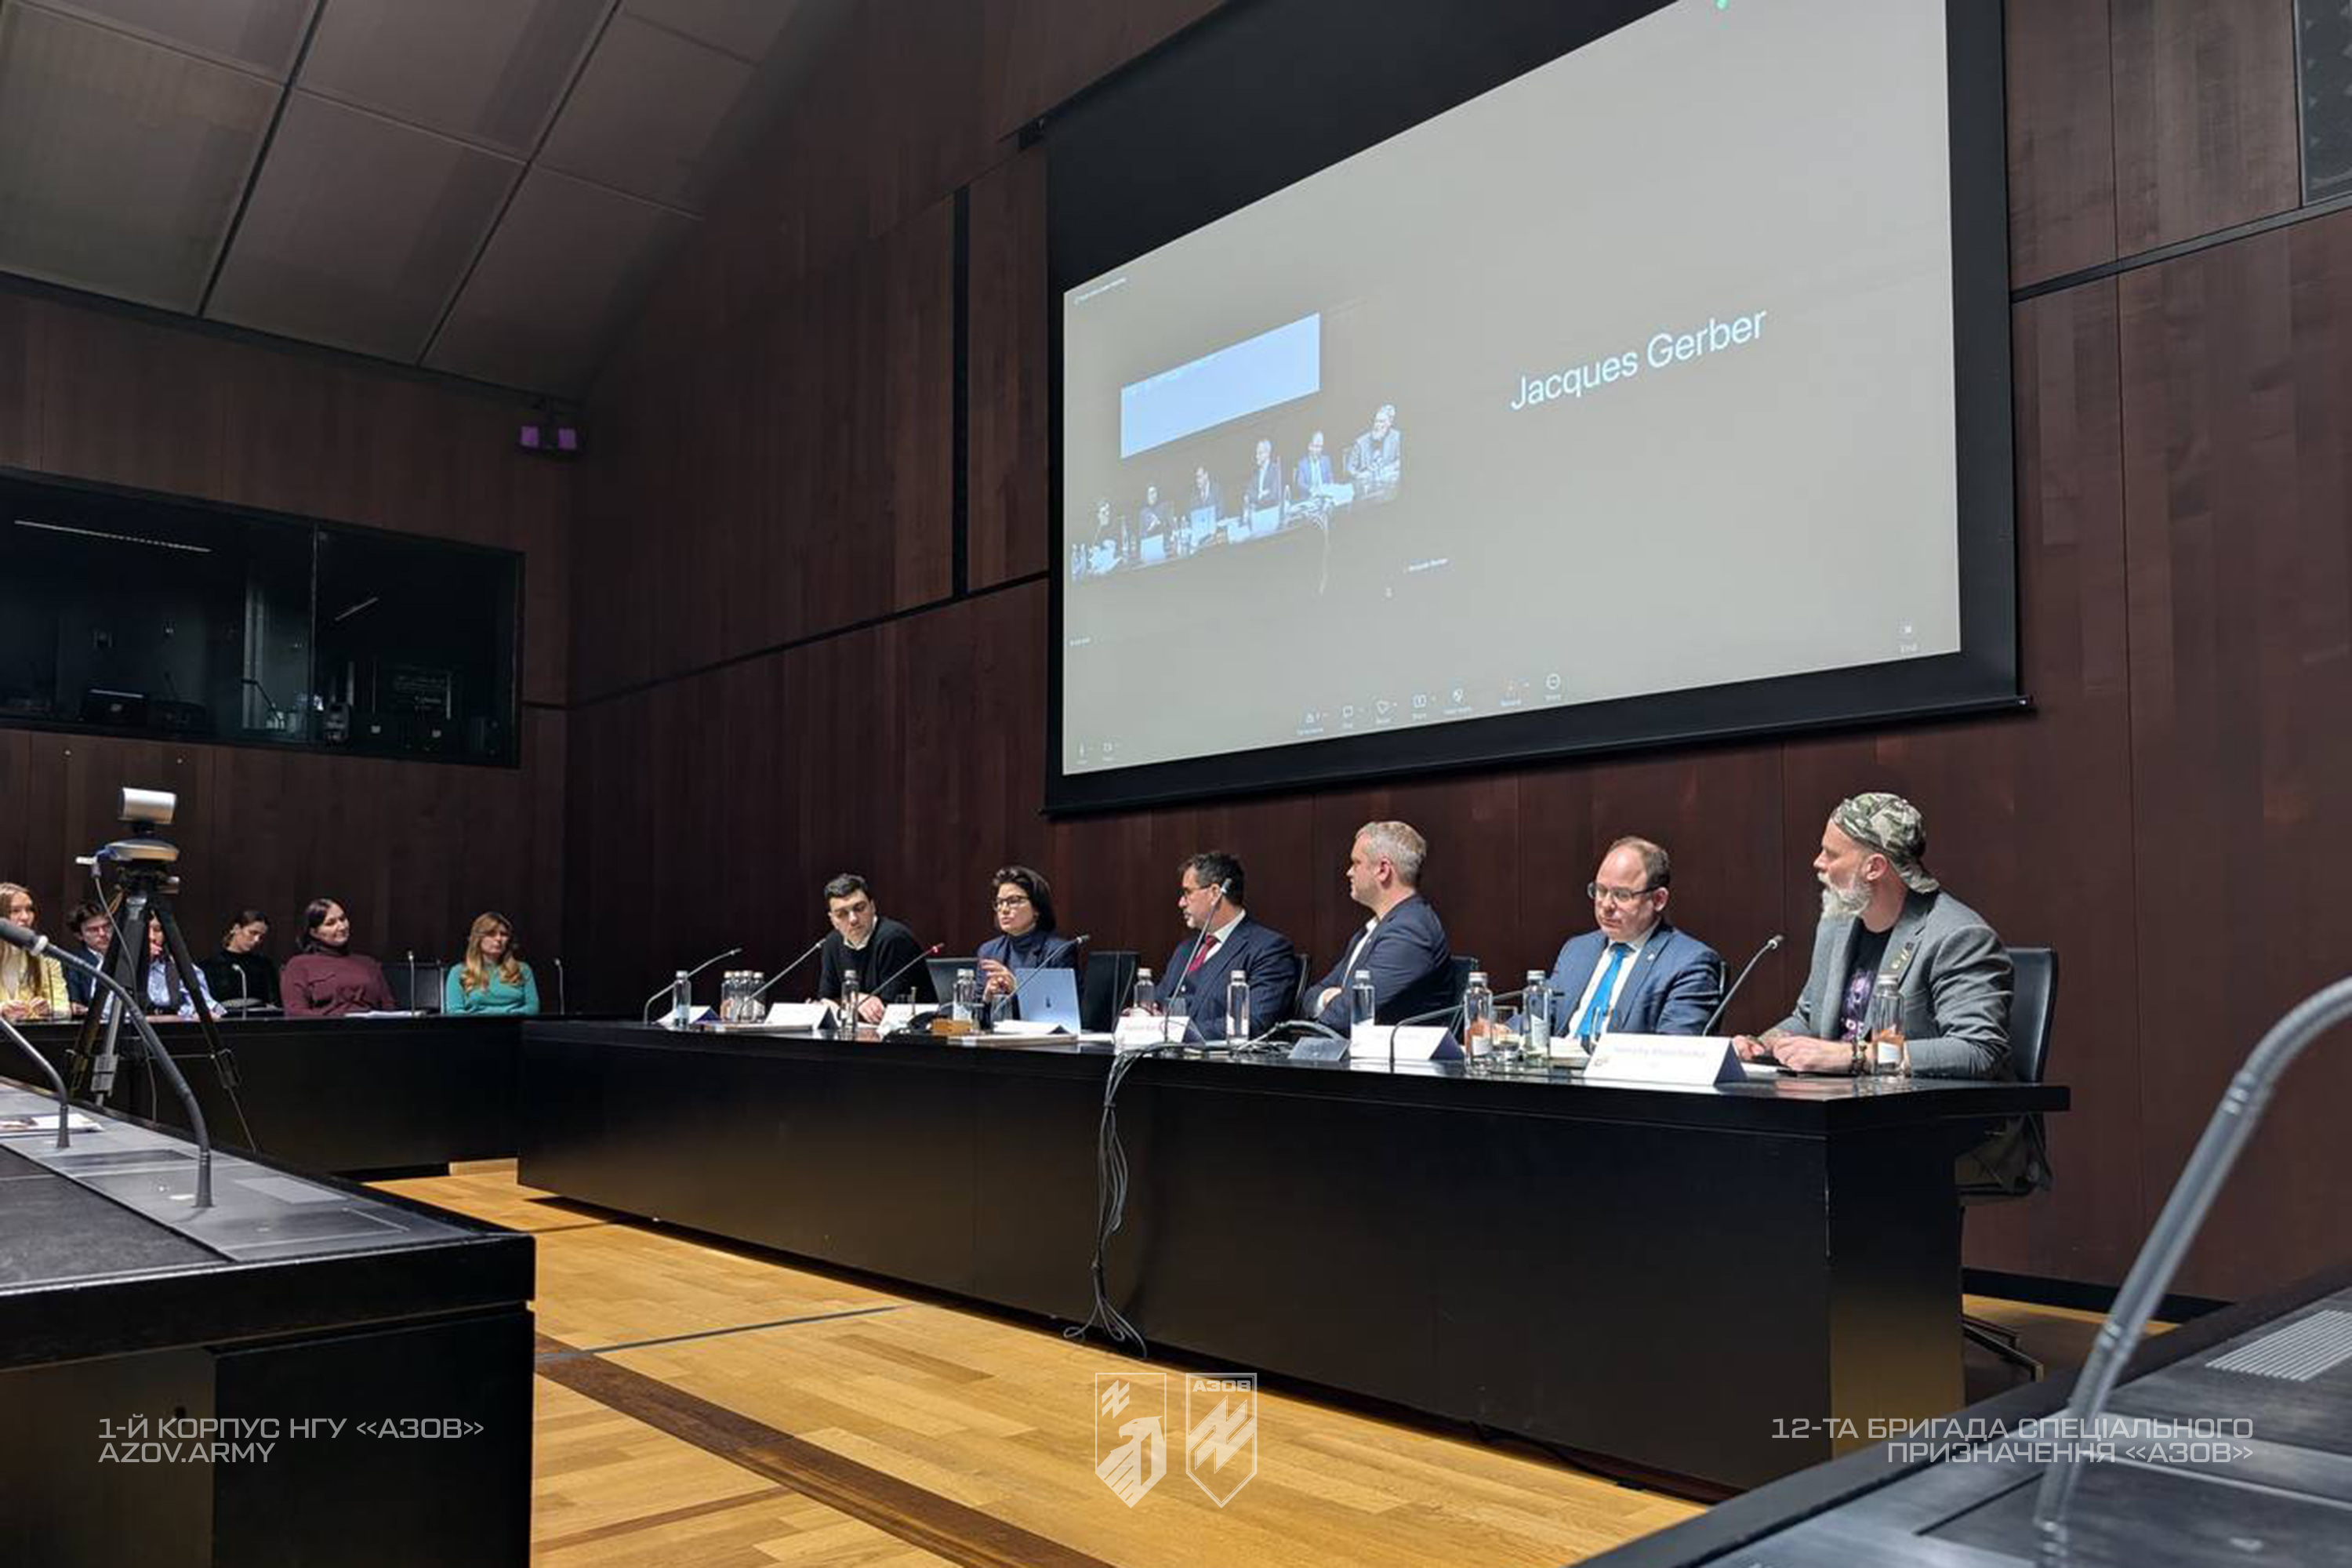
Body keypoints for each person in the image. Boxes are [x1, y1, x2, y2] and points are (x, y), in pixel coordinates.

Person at [1735, 793, 2012, 1077]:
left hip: (1914, 1103)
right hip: (1837, 1098)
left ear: (1875, 867)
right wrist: (1762, 1045)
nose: (1818, 862)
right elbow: (1809, 1019)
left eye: (1831, 854)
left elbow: (1978, 1050)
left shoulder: (1958, 937)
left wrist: (1855, 1056)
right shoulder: (1835, 925)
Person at [1534, 838, 1723, 1040]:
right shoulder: (1577, 950)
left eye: (1622, 895)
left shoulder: (1689, 963)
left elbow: (1676, 1047)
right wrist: (1512, 1031)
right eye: (1601, 891)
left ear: (1658, 899)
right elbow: (1537, 1019)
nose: (1606, 905)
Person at [1308, 822, 1452, 1029]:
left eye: (1356, 863)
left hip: (1389, 1051)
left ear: (1383, 870)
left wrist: (1335, 999)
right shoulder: (1373, 929)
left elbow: (1346, 1016)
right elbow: (1311, 996)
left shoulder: (1410, 932)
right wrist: (1326, 998)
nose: (1349, 872)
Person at [1160, 852, 1300, 1040]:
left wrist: (1178, 1033)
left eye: (1188, 893)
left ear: (1215, 893)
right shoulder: (1185, 950)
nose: (1181, 903)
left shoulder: (1269, 950)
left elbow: (1254, 1023)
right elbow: (1158, 1003)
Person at [815, 874, 925, 1023]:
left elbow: (890, 1009)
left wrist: (846, 1002)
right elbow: (826, 999)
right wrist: (856, 998)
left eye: (859, 908)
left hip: (913, 1031)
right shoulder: (832, 942)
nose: (853, 919)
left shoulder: (895, 939)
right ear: (833, 920)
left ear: (873, 907)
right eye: (842, 914)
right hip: (859, 1032)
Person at [976, 866, 1083, 1018]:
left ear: (1037, 909)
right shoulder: (988, 951)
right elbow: (976, 1018)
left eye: (1013, 901)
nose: (1004, 909)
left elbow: (1064, 1013)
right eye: (999, 902)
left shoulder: (1058, 951)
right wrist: (987, 999)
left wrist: (1018, 988)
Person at [281, 898, 397, 1018]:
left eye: (343, 919)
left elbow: (389, 1009)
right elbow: (295, 1013)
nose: (342, 927)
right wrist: (338, 1019)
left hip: (372, 1028)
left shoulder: (368, 963)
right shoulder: (299, 965)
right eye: (331, 923)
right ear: (314, 932)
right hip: (327, 1028)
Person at [445, 911, 541, 1015]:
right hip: (474, 1025)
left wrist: (508, 1016)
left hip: (515, 1023)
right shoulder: (458, 972)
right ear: (478, 939)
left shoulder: (522, 969)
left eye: (504, 934)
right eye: (491, 934)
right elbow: (454, 1011)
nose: (499, 939)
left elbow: (533, 1007)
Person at [0, 882, 69, 1021]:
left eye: (29, 910)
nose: (25, 917)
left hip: (32, 1032)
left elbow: (65, 1009)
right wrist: (2, 1010)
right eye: (15, 911)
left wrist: (50, 1009)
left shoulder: (46, 954)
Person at [134, 917, 223, 1020]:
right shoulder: (123, 970)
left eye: (158, 930)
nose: (152, 937)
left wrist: (191, 1015)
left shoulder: (181, 969)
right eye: (145, 930)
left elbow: (206, 1008)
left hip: (174, 1028)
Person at [200, 909, 281, 1010]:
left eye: (261, 937)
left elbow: (276, 1002)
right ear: (236, 928)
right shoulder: (209, 967)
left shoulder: (264, 965)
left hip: (259, 1017)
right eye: (253, 933)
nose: (257, 940)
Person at [59, 900, 114, 1012]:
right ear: (80, 936)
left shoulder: (127, 956)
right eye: (93, 930)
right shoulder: (73, 963)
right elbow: (76, 1005)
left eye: (106, 926)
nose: (102, 934)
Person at [1345, 403, 1402, 498]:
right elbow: (1350, 469)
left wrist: (1390, 468)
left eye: (1382, 422)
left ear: (1389, 423)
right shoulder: (1360, 443)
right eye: (1376, 421)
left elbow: (1401, 459)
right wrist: (1360, 475)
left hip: (1388, 487)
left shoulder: (1397, 437)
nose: (1377, 425)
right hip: (1367, 489)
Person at [1243, 437, 1283, 514]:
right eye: (1257, 453)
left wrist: (1257, 499)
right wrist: (1261, 495)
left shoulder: (1275, 469)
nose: (1257, 457)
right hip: (1258, 513)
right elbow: (1249, 493)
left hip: (1272, 512)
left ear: (1267, 454)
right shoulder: (1256, 473)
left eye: (1260, 453)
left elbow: (1273, 496)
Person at [1293, 430, 1334, 503]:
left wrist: (1329, 489)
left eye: (1321, 447)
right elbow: (1300, 484)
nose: (1319, 450)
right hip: (1309, 499)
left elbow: (1330, 479)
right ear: (1310, 447)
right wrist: (1311, 489)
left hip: (1325, 498)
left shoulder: (1326, 460)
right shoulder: (1302, 464)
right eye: (1316, 447)